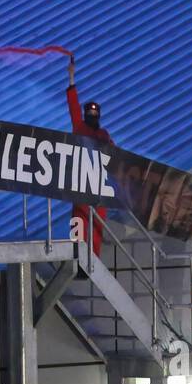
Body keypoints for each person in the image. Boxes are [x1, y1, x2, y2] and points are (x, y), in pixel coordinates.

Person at [66, 56, 114, 257]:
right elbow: (73, 105)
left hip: (99, 186)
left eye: (95, 114)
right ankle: (78, 256)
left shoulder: (104, 134)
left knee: (98, 223)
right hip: (81, 184)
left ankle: (93, 258)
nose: (92, 117)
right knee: (79, 220)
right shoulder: (80, 127)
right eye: (89, 113)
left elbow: (114, 156)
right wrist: (71, 78)